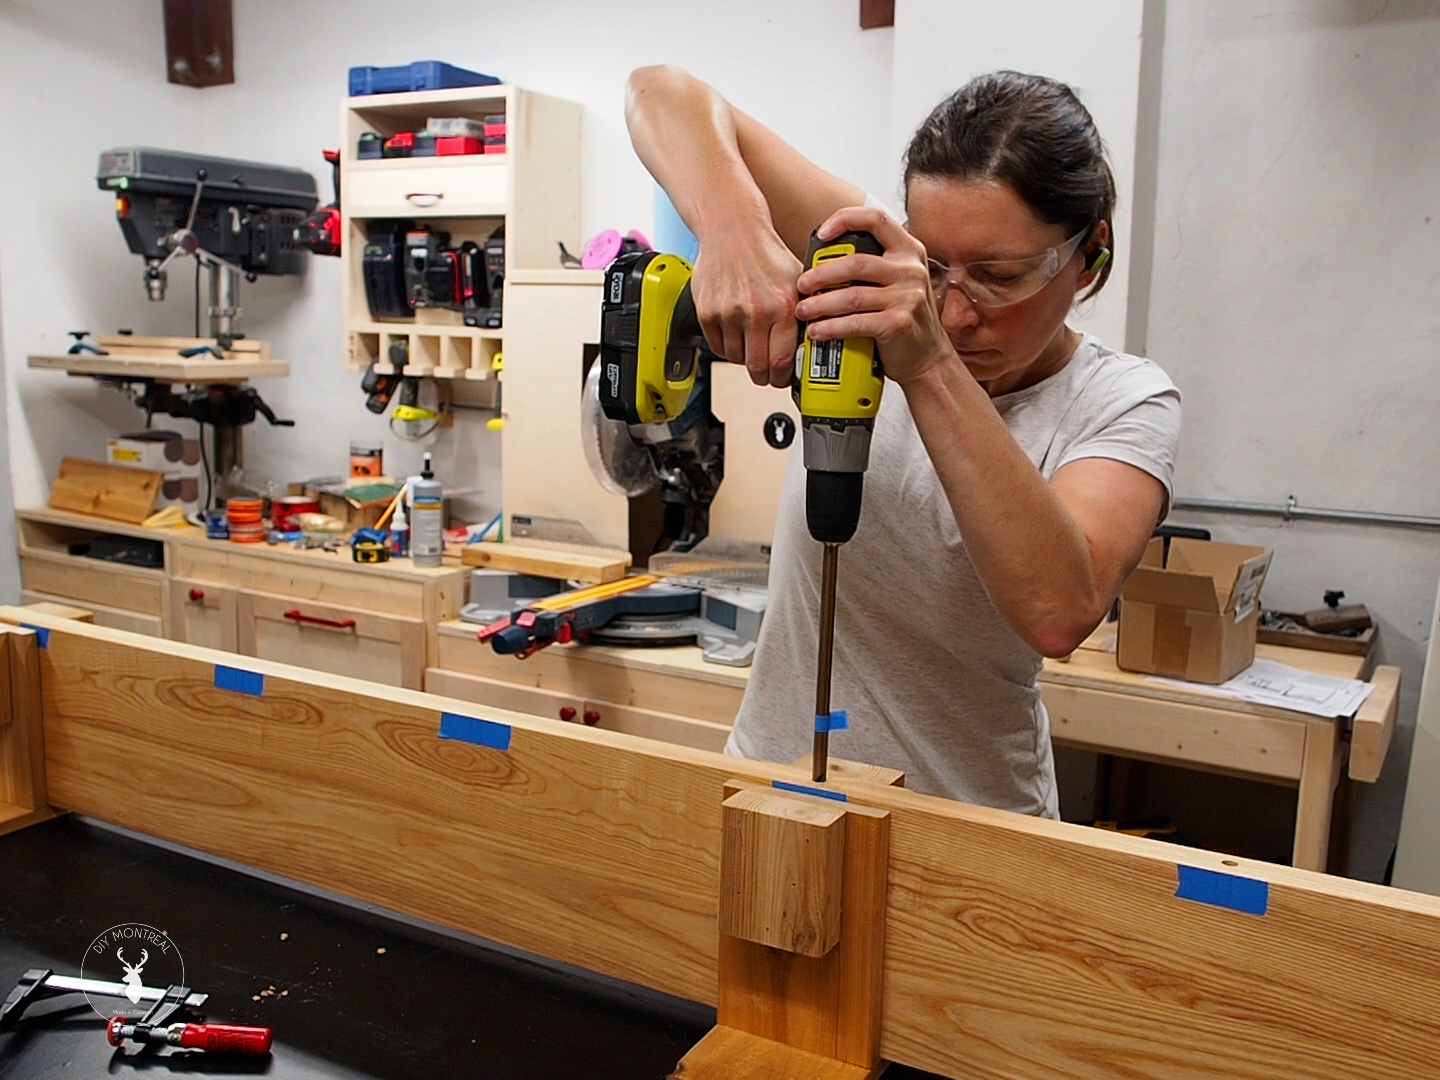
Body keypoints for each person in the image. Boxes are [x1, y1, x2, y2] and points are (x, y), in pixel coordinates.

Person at [625, 66, 1180, 816]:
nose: (953, 312)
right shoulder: (875, 270)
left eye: (999, 277)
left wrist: (926, 364)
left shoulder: (1123, 400)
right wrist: (733, 227)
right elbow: (659, 92)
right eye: (934, 266)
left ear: (1091, 254)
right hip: (774, 791)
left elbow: (1058, 609)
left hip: (968, 824)